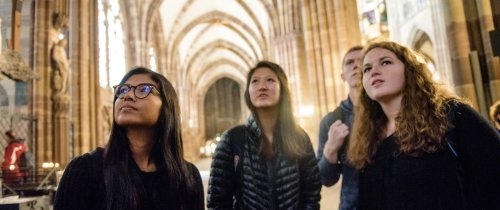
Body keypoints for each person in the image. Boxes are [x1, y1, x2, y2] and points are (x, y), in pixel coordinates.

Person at [348, 41, 500, 209]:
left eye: (385, 62)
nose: (374, 71)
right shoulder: (368, 137)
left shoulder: (450, 114)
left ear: (409, 69)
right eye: (367, 69)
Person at [54, 67, 204, 210]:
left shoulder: (188, 176)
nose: (127, 96)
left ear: (167, 106)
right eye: (122, 90)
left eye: (143, 89)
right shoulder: (84, 170)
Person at [207, 61, 321, 209]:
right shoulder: (232, 140)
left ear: (283, 89)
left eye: (270, 80)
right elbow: (217, 201)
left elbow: (311, 190)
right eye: (255, 81)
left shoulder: (299, 137)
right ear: (248, 92)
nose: (262, 86)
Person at [317, 45, 363, 210]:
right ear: (343, 76)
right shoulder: (331, 121)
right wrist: (330, 150)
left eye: (362, 60)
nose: (356, 65)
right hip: (352, 205)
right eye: (350, 62)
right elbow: (325, 179)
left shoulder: (388, 110)